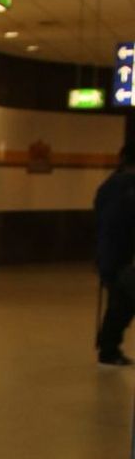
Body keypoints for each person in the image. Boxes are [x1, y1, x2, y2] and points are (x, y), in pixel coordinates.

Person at [94, 139, 135, 366]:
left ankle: (108, 348)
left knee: (121, 303)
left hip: (109, 255)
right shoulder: (128, 187)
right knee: (122, 303)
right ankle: (108, 348)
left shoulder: (108, 186)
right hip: (121, 257)